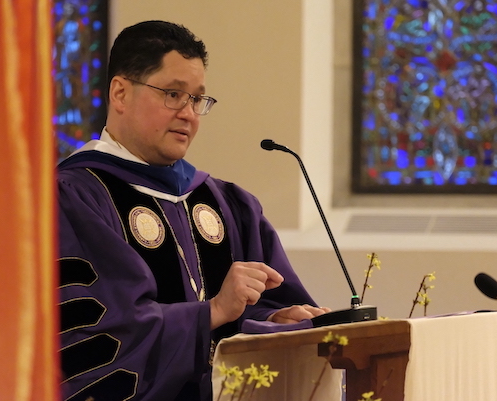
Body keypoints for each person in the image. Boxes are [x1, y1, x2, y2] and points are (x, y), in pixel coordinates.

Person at [57, 20, 328, 401]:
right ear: (120, 93)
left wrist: (275, 319)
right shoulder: (75, 198)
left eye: (198, 99)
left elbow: (269, 304)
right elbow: (102, 335)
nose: (189, 113)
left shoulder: (228, 204)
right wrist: (213, 311)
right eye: (173, 94)